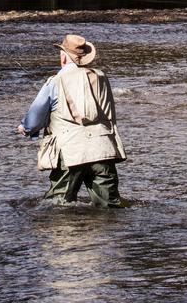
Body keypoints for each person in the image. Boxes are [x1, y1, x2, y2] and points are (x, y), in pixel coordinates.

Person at [16, 34, 126, 207]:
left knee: (58, 208)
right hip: (103, 151)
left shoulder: (55, 81)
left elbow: (35, 118)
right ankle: (109, 234)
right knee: (110, 209)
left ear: (64, 56)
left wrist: (25, 127)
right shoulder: (102, 78)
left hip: (70, 154)